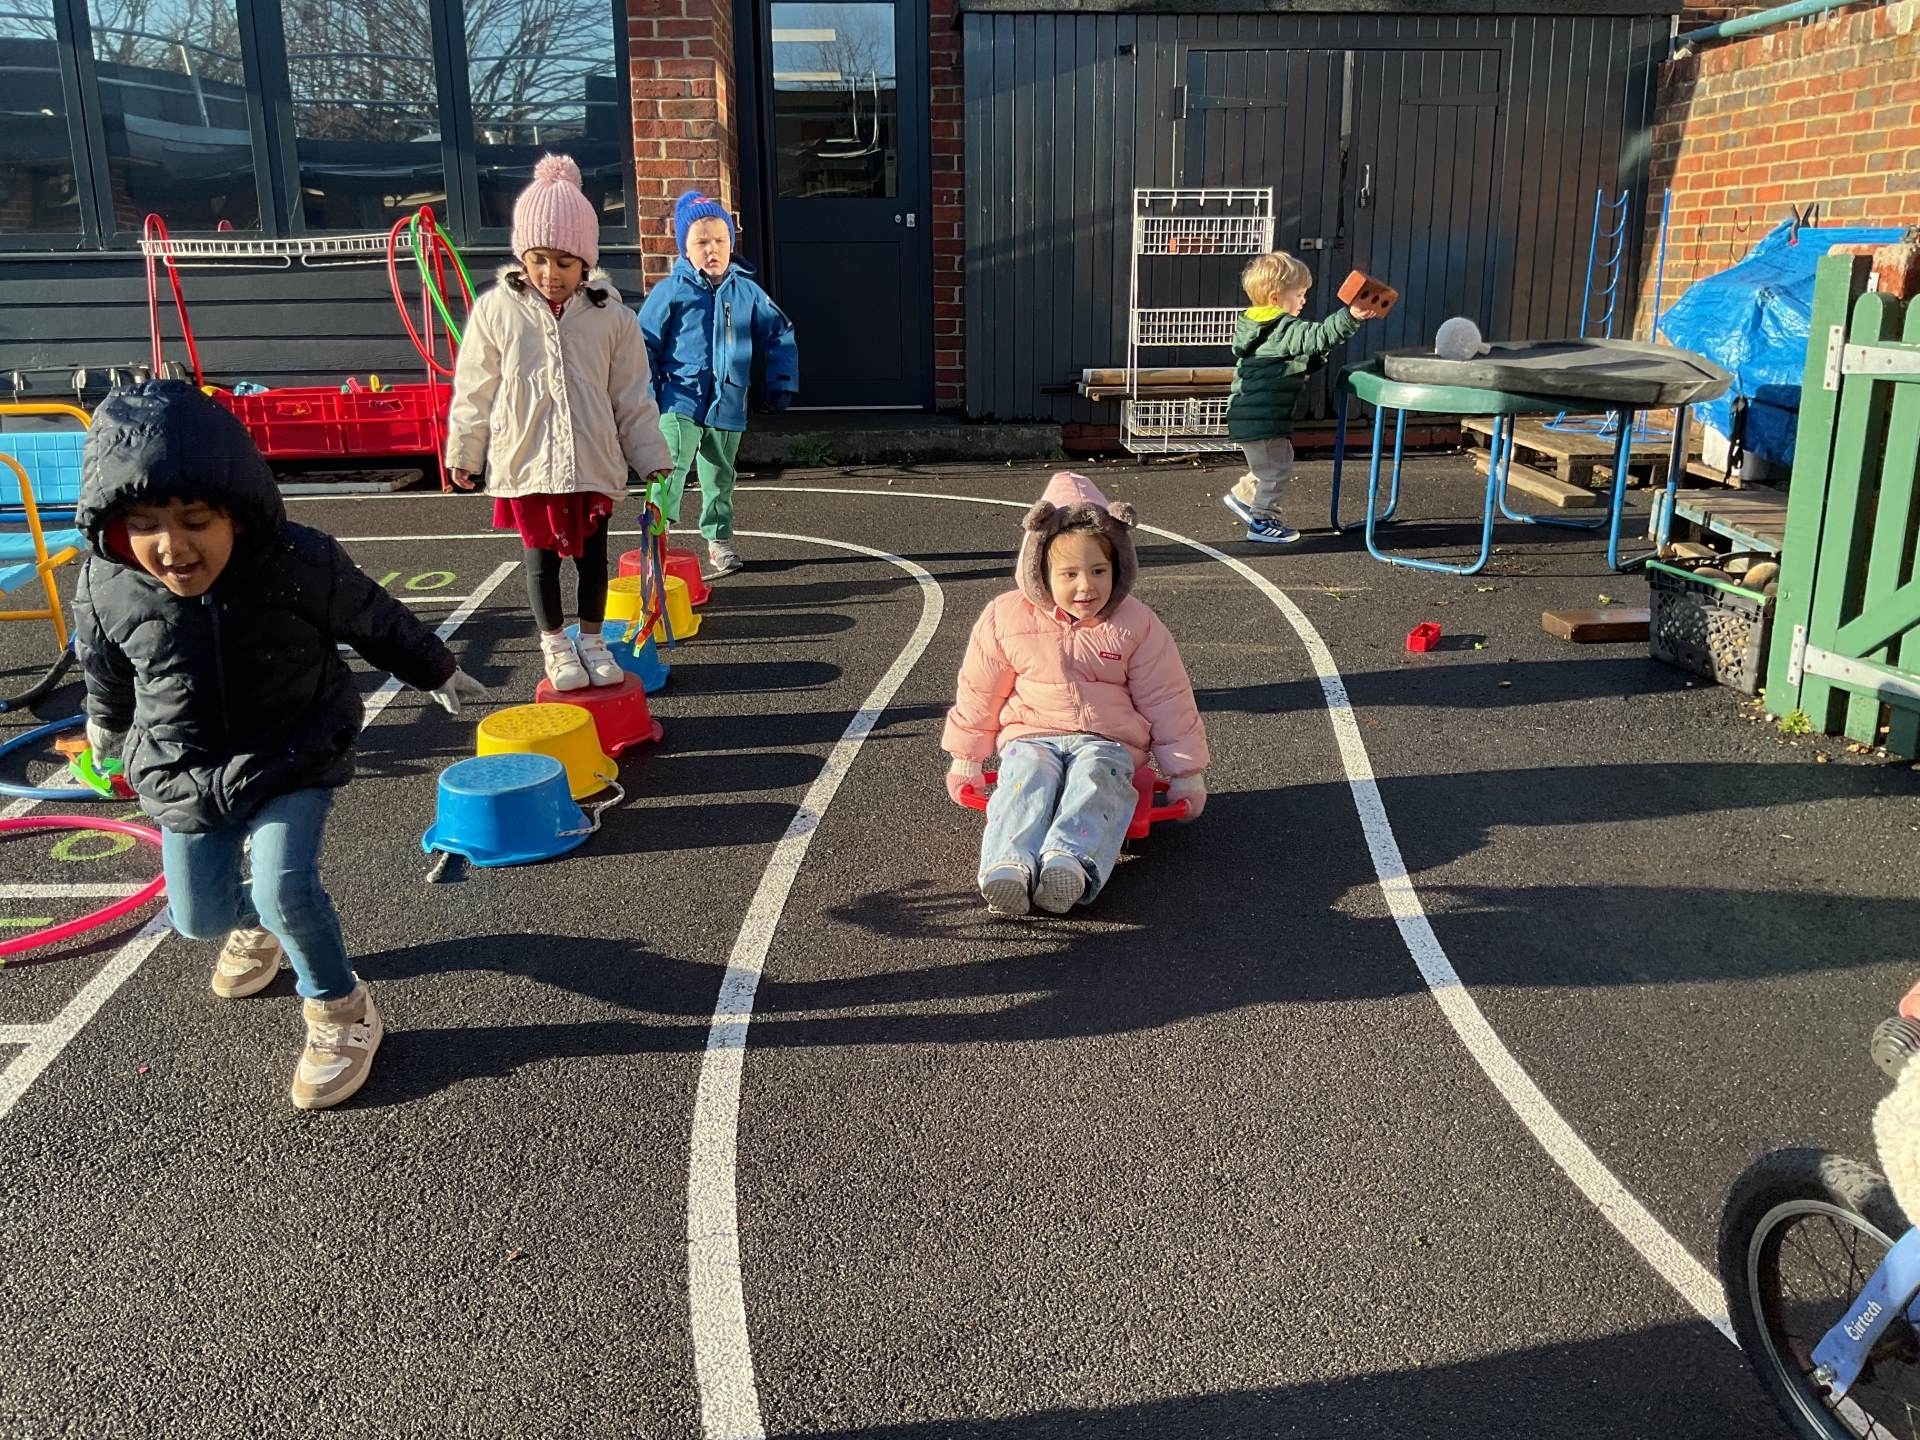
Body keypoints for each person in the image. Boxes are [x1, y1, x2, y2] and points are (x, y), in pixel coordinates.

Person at [72, 380, 488, 1111]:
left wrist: (436, 668)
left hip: (289, 747)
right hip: (182, 761)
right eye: (144, 526)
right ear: (114, 528)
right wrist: (105, 723)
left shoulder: (297, 561)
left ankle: (341, 1009)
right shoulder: (107, 583)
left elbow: (374, 616)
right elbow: (104, 663)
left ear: (236, 511)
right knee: (198, 917)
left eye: (195, 520)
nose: (172, 547)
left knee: (284, 888)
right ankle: (258, 928)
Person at [445, 153, 672, 691]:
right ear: (522, 257)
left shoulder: (613, 317)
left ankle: (592, 641)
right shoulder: (497, 310)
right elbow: (475, 387)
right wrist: (465, 451)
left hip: (591, 457)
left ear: (586, 263)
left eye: (565, 263)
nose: (550, 274)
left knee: (593, 559)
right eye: (539, 260)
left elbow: (631, 395)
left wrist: (651, 457)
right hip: (526, 460)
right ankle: (554, 645)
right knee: (540, 561)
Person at [943, 472, 1209, 918]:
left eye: (1098, 571)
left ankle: (1069, 862)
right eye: (1069, 574)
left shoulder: (1136, 624)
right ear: (1040, 570)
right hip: (1033, 732)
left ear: (1118, 567)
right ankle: (1007, 866)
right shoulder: (1005, 617)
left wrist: (1186, 772)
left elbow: (1168, 698)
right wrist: (966, 757)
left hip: (1106, 739)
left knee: (1096, 776)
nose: (1086, 586)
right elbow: (979, 690)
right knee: (1026, 775)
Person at [639, 191, 799, 577]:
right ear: (685, 249)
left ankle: (718, 539)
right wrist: (644, 393)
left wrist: (781, 379)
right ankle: (656, 536)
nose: (712, 250)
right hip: (679, 396)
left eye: (720, 240)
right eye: (701, 242)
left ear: (730, 242)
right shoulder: (671, 291)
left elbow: (779, 332)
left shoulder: (747, 292)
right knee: (669, 465)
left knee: (720, 475)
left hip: (729, 398)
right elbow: (643, 341)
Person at [1222, 251, 1382, 544]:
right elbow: (1319, 336)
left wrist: (1313, 358)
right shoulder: (1282, 327)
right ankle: (1262, 521)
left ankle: (1243, 496)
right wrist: (1350, 316)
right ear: (1275, 298)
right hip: (1263, 418)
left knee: (1274, 462)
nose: (1304, 300)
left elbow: (1300, 356)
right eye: (1299, 294)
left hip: (1253, 416)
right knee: (1275, 468)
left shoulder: (1259, 327)